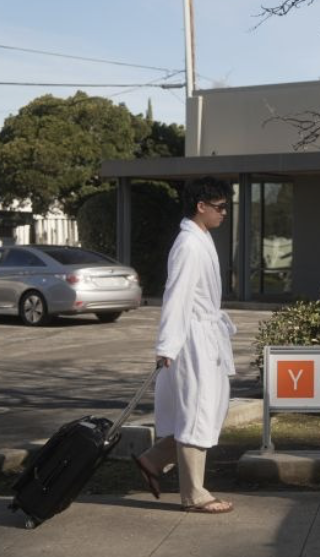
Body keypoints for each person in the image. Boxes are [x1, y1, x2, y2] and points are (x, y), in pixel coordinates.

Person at [133, 177, 238, 514]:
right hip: (192, 339)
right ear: (200, 206)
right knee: (197, 410)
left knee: (207, 407)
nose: (224, 213)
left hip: (206, 334)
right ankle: (194, 494)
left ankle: (152, 460)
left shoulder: (200, 238)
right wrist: (167, 346)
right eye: (220, 207)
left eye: (226, 206)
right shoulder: (189, 245)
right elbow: (176, 296)